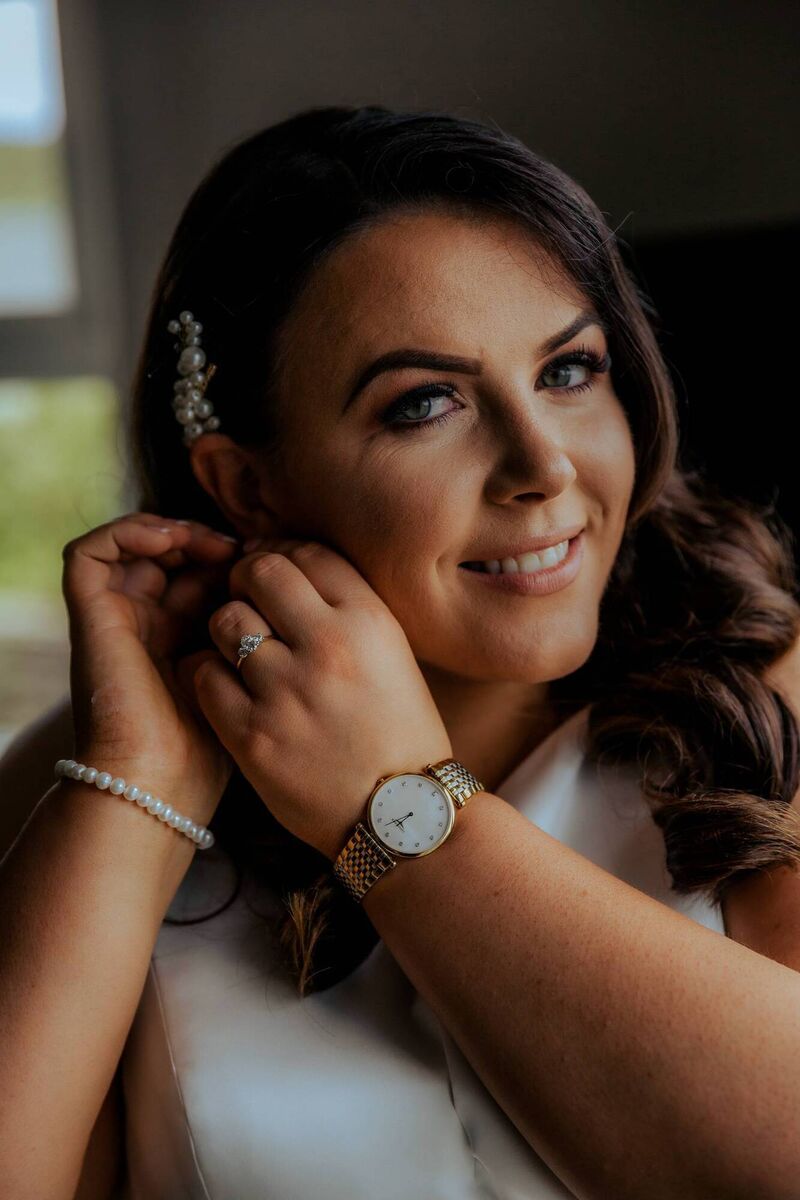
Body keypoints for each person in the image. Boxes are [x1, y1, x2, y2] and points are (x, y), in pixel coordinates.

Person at [2, 104, 800, 1200]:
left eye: (568, 370)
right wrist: (139, 784)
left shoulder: (762, 700)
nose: (543, 467)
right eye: (425, 403)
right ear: (248, 486)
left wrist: (393, 808)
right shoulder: (96, 781)